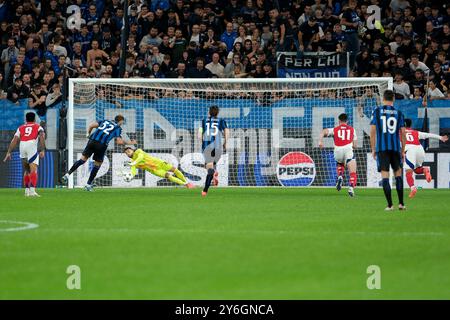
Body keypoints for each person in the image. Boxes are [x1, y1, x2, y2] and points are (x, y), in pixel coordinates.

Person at [61, 115, 137, 191]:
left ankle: (67, 175)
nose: (122, 124)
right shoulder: (117, 128)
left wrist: (88, 134)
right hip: (101, 145)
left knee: (82, 160)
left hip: (92, 141)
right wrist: (130, 143)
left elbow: (91, 126)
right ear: (120, 121)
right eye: (122, 122)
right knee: (97, 164)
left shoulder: (105, 121)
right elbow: (119, 142)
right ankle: (88, 184)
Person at [370, 90, 407, 211]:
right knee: (398, 175)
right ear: (393, 99)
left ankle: (390, 205)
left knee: (385, 176)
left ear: (383, 98)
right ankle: (401, 204)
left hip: (382, 148)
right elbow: (403, 133)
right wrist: (403, 150)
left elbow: (372, 132)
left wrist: (373, 149)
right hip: (396, 148)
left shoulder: (377, 111)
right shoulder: (399, 113)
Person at [3, 112, 45, 197]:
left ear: (26, 119)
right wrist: (42, 150)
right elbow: (42, 136)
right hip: (31, 145)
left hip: (22, 146)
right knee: (33, 170)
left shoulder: (20, 128)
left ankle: (26, 191)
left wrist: (9, 152)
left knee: (27, 170)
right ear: (34, 119)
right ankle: (32, 191)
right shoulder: (38, 126)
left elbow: (14, 140)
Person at [404, 118, 448, 198]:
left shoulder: (399, 132)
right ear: (410, 125)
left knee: (408, 172)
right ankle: (425, 170)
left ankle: (413, 188)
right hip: (420, 149)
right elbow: (428, 135)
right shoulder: (416, 132)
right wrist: (440, 137)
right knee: (416, 170)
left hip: (410, 150)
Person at [319, 113, 358, 197]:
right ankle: (351, 187)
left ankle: (340, 176)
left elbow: (323, 131)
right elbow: (355, 145)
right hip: (348, 150)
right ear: (347, 121)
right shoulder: (352, 129)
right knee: (353, 171)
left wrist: (320, 141)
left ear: (339, 121)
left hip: (337, 151)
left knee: (340, 163)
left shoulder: (335, 129)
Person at [123, 146, 194, 188]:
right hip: (155, 170)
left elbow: (140, 157)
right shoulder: (132, 162)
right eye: (126, 153)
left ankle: (186, 181)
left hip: (160, 163)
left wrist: (134, 162)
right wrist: (131, 175)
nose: (128, 153)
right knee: (169, 176)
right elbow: (133, 170)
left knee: (176, 170)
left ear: (132, 150)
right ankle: (186, 184)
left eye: (128, 151)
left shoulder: (138, 151)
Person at [198, 106, 229, 196]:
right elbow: (227, 132)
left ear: (209, 112)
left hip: (207, 146)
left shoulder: (204, 121)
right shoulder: (222, 120)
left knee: (209, 167)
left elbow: (199, 135)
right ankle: (214, 171)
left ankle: (205, 190)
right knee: (210, 165)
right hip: (218, 146)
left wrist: (202, 143)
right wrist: (225, 143)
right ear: (217, 113)